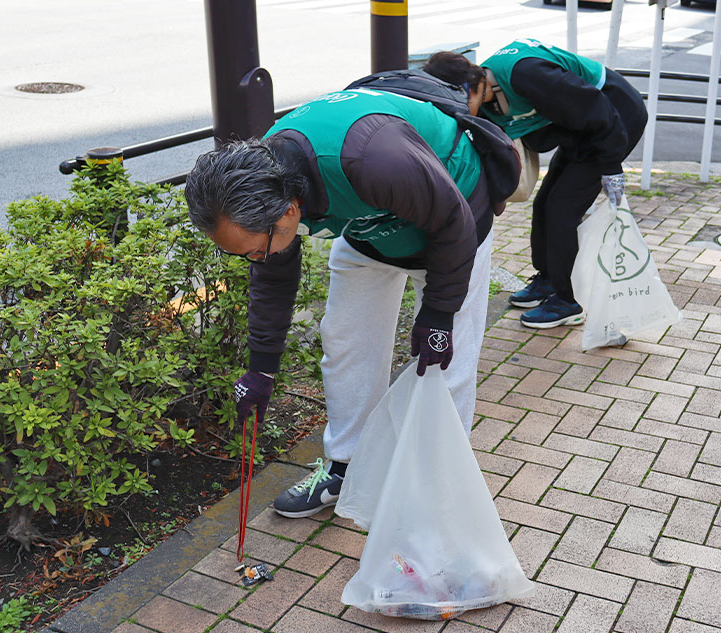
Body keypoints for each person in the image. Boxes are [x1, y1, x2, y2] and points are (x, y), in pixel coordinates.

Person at [185, 86, 499, 518]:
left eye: (255, 250)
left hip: (454, 216)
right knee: (345, 339)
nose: (254, 260)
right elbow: (273, 275)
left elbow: (453, 221)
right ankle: (347, 467)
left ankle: (439, 488)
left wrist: (439, 315)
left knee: (447, 362)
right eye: (243, 254)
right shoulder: (266, 190)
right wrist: (261, 367)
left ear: (290, 210)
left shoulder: (373, 158)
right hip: (373, 227)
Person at [424, 39, 647, 334]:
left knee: (561, 210)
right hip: (580, 127)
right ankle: (548, 278)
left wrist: (611, 169)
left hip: (615, 116)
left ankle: (567, 301)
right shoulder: (488, 90)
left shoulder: (526, 74)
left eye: (459, 100)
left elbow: (598, 111)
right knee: (545, 203)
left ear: (472, 86)